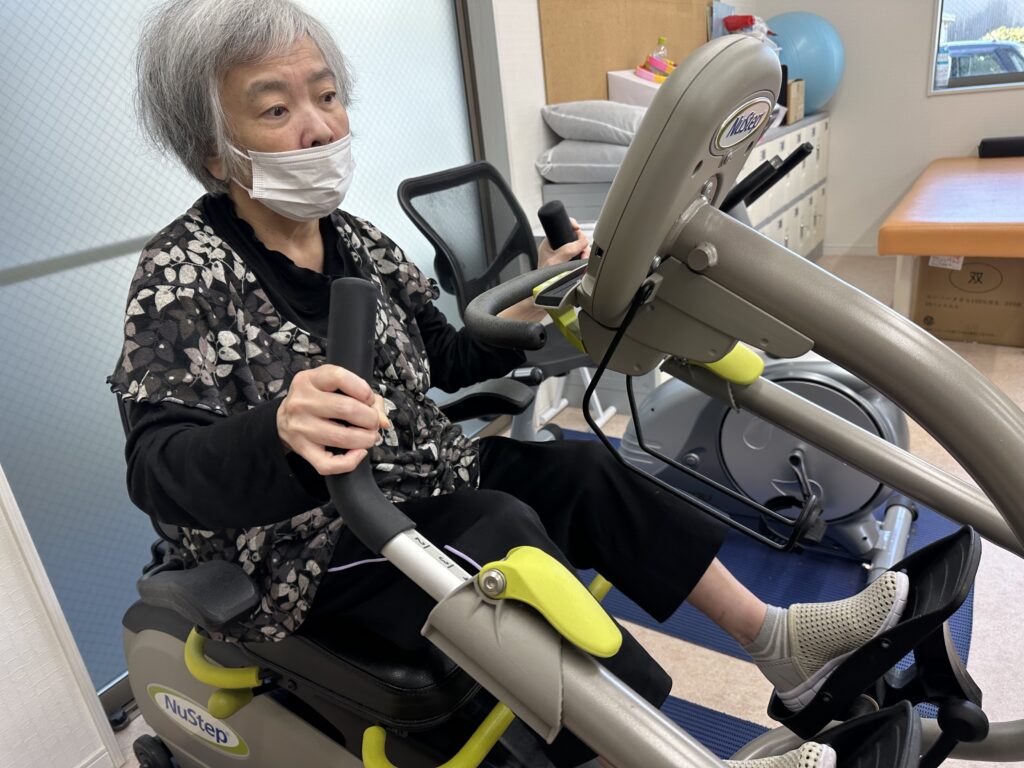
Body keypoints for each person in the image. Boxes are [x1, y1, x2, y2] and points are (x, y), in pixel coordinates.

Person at [110, 1, 908, 766]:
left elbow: (443, 358)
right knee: (497, 532)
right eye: (275, 110)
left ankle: (779, 644)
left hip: (417, 482)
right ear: (215, 151)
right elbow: (156, 468)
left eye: (325, 96)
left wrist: (538, 293)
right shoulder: (182, 271)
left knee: (583, 469)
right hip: (302, 552)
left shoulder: (353, 239)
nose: (318, 126)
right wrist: (280, 429)